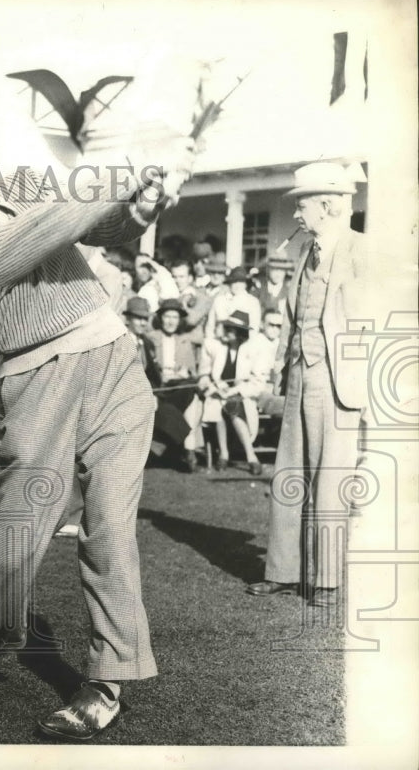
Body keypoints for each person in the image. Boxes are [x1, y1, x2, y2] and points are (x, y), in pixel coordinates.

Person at [0, 121, 196, 741]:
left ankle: (108, 680)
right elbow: (45, 232)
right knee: (14, 541)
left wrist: (141, 203)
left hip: (113, 361)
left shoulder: (25, 181)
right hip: (36, 382)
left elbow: (103, 228)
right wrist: (125, 167)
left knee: (109, 527)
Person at [247, 163, 371, 608]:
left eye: (301, 204)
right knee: (289, 475)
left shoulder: (362, 250)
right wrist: (283, 372)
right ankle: (282, 572)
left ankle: (326, 579)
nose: (297, 214)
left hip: (336, 380)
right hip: (299, 375)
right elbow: (294, 323)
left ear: (328, 204)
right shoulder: (305, 254)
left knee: (330, 478)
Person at [197, 310, 273, 474]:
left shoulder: (254, 349)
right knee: (219, 404)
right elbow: (204, 375)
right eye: (226, 328)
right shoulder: (216, 347)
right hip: (218, 392)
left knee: (231, 406)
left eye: (230, 329)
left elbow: (258, 383)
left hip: (245, 394)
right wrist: (216, 386)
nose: (225, 332)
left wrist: (234, 390)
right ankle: (224, 454)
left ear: (240, 333)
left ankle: (250, 456)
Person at [147, 298, 202, 471]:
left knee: (190, 392)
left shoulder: (184, 341)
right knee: (191, 398)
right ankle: (187, 448)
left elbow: (192, 372)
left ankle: (189, 450)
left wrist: (184, 371)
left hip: (177, 387)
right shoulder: (151, 338)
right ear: (161, 318)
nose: (171, 321)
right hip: (157, 387)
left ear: (180, 321)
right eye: (167, 316)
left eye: (175, 317)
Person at [205, 265, 261, 340]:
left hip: (243, 342)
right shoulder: (220, 300)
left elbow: (254, 328)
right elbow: (210, 325)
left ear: (245, 284)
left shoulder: (253, 302)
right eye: (234, 281)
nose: (237, 285)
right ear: (230, 283)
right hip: (220, 342)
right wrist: (211, 340)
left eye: (241, 282)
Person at [169, 258, 212, 351]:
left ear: (190, 278)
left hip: (192, 348)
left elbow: (190, 320)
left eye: (181, 277)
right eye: (174, 277)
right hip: (172, 346)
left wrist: (182, 301)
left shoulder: (202, 298)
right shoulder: (170, 296)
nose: (177, 281)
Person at [123, 296, 158, 386]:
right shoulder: (120, 342)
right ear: (128, 319)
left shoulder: (148, 343)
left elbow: (152, 375)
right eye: (138, 318)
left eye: (145, 319)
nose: (143, 323)